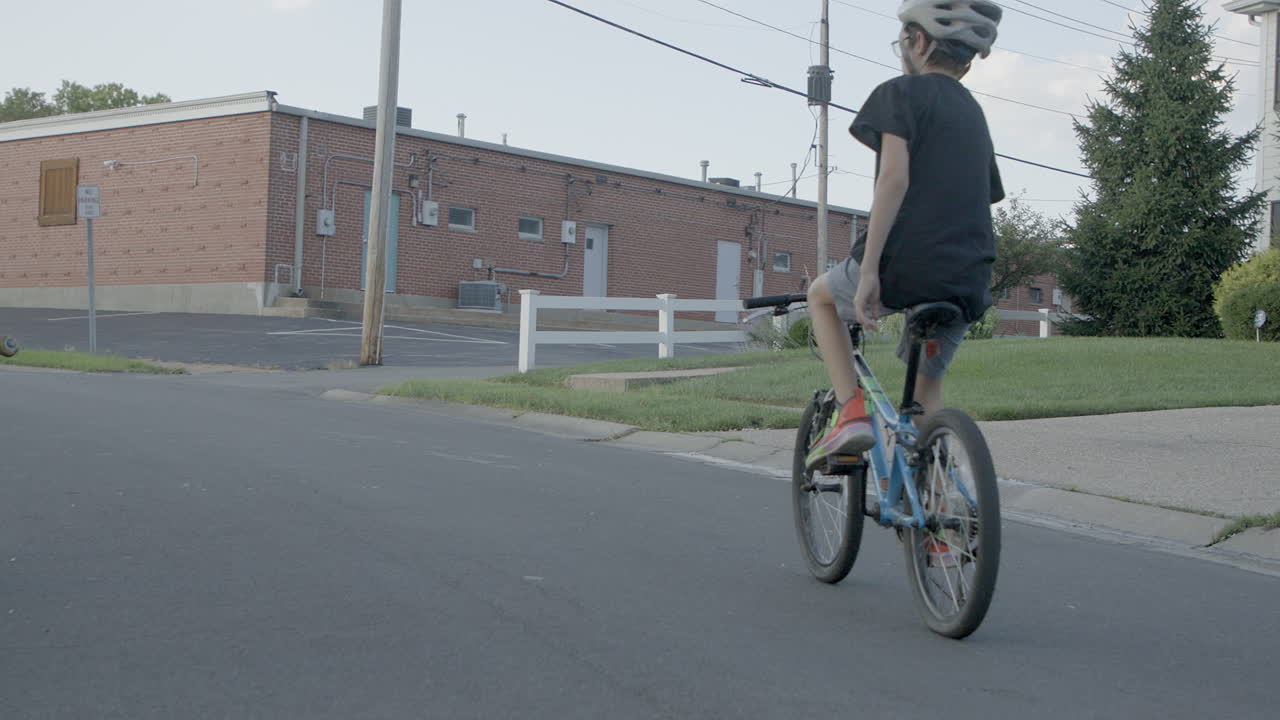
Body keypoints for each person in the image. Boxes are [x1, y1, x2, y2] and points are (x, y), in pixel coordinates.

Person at [805, 0, 1006, 471]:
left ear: (918, 41)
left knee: (819, 297)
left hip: (906, 264)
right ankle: (939, 508)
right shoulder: (974, 113)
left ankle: (850, 411)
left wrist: (869, 270)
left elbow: (893, 178)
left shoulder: (900, 93)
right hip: (967, 276)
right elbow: (987, 194)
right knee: (925, 398)